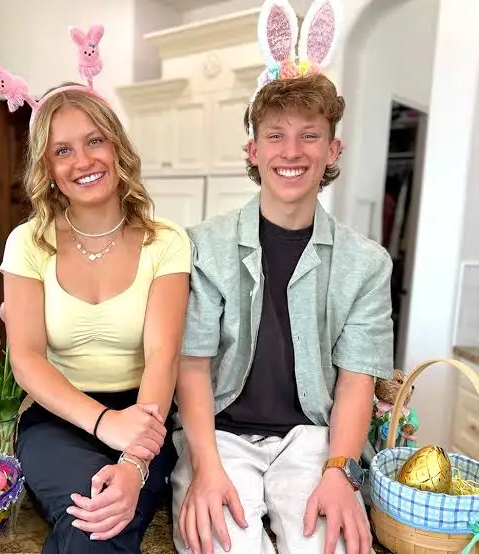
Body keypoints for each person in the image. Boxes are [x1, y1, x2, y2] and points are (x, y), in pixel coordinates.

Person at [170, 1, 394, 554]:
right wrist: (205, 468)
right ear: (253, 150)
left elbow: (356, 382)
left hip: (313, 440)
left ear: (332, 149)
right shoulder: (203, 247)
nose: (291, 152)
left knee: (332, 545)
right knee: (225, 544)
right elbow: (191, 368)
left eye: (309, 136)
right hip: (219, 436)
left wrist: (340, 472)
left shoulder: (367, 264)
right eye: (275, 136)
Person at [0, 25, 191, 554]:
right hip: (57, 417)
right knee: (91, 513)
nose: (83, 161)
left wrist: (134, 461)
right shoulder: (28, 243)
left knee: (102, 520)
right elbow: (26, 358)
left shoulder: (167, 241)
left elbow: (163, 358)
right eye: (62, 150)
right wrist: (103, 423)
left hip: (147, 416)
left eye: (95, 141)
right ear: (47, 168)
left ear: (117, 147)